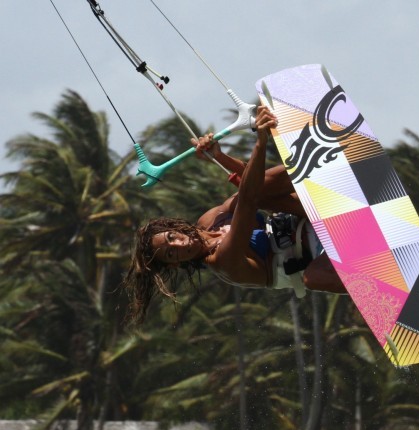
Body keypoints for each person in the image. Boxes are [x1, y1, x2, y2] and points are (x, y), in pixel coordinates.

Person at [125, 106, 346, 323]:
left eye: (172, 238)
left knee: (261, 191)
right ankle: (378, 282)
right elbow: (248, 201)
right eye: (172, 254)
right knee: (312, 278)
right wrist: (261, 140)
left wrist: (218, 155)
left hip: (315, 216)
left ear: (172, 228)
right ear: (175, 265)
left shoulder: (210, 220)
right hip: (323, 254)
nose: (181, 246)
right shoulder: (222, 262)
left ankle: (322, 162)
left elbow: (252, 188)